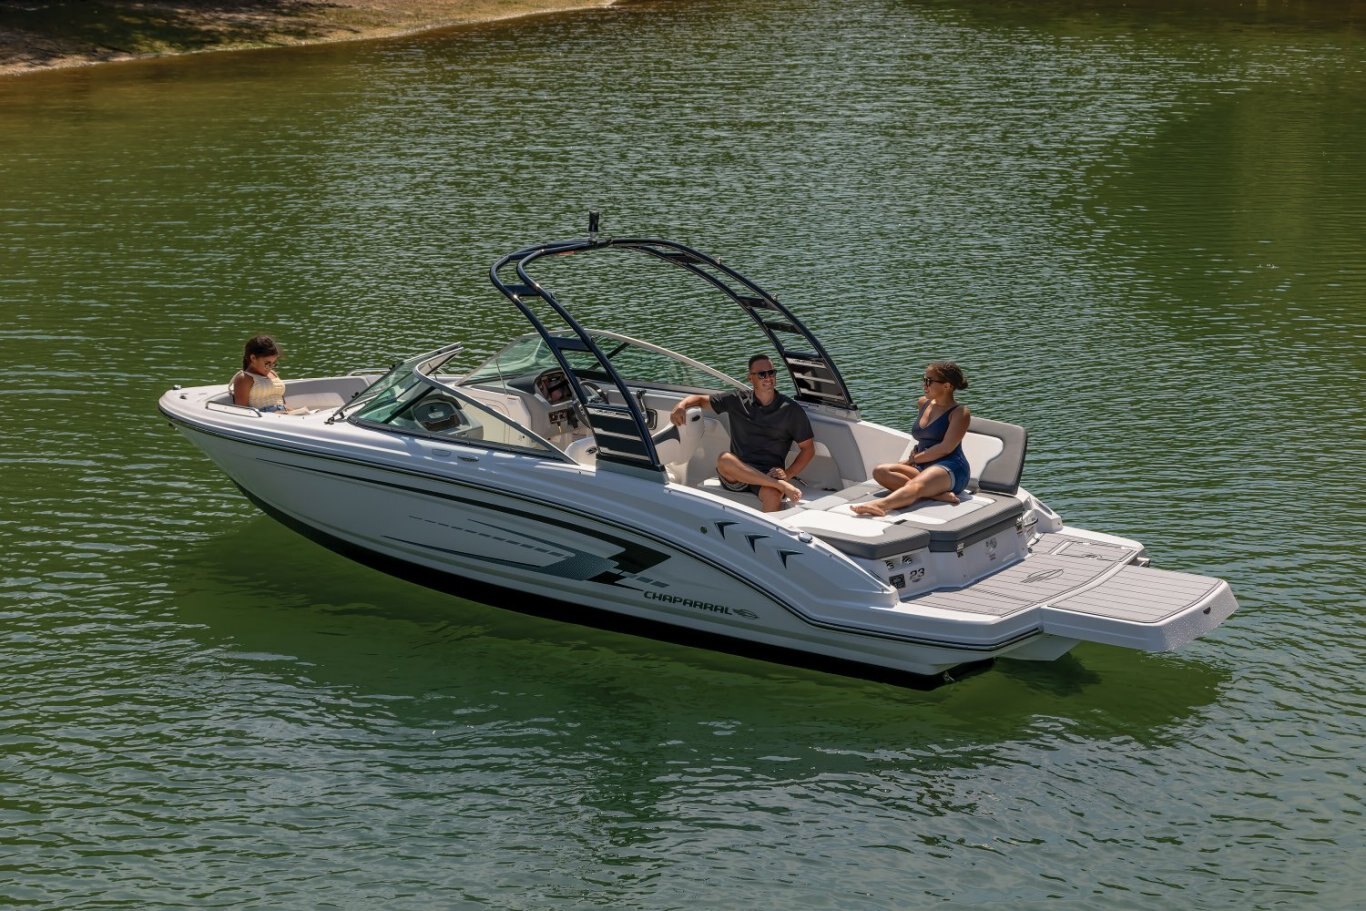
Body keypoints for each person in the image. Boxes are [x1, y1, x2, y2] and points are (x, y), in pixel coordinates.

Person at [670, 354, 815, 512]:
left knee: (773, 495)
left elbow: (808, 449)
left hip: (769, 475)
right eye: (762, 374)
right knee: (724, 459)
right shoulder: (737, 400)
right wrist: (681, 405)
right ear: (750, 378)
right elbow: (700, 400)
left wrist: (787, 474)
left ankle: (769, 516)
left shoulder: (791, 410)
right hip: (737, 475)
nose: (768, 377)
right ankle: (779, 485)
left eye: (771, 372)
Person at [852, 361, 972, 517]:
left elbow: (945, 448)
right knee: (880, 471)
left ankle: (879, 505)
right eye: (924, 379)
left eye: (929, 381)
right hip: (922, 466)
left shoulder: (960, 413)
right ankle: (936, 494)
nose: (924, 385)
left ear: (947, 386)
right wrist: (914, 461)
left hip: (950, 467)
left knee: (917, 484)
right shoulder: (923, 403)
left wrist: (913, 460)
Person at [232, 334, 291, 412]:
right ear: (253, 358)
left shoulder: (273, 374)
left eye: (274, 363)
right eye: (267, 363)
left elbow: (283, 404)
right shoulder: (244, 378)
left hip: (283, 413)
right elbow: (242, 410)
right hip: (264, 416)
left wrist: (295, 412)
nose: (271, 367)